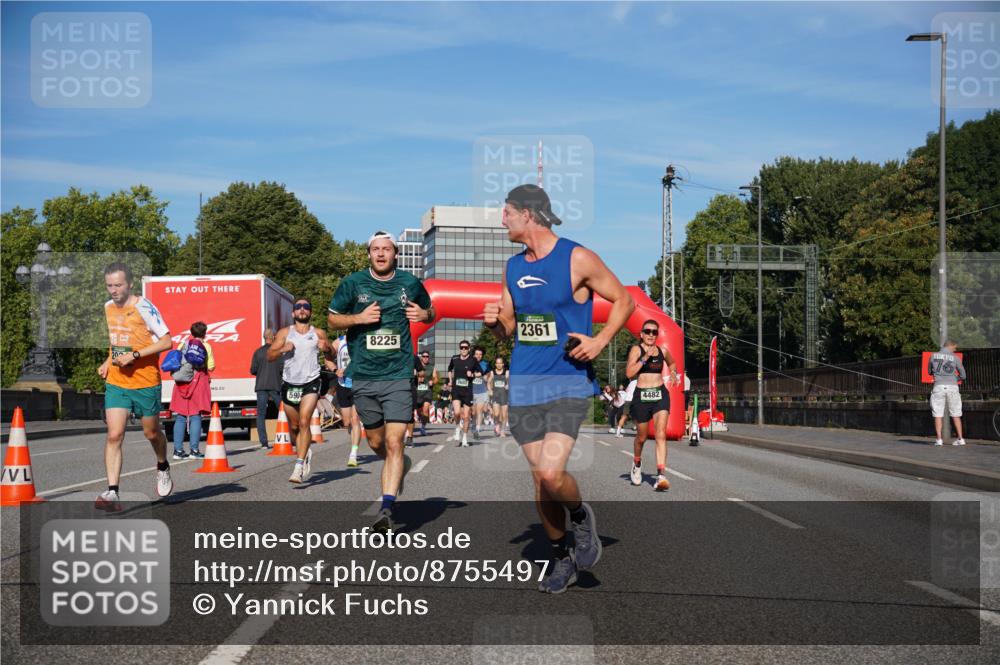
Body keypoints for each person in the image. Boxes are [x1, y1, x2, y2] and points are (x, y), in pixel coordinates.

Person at [483, 184, 635, 594]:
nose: (503, 220)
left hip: (567, 380)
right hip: (524, 384)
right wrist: (495, 322)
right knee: (539, 479)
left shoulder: (576, 257)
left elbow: (624, 300)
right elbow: (510, 329)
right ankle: (560, 557)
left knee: (552, 473)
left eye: (507, 213)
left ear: (528, 214)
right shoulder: (512, 268)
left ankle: (580, 517)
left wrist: (599, 341)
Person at [328, 231, 434, 532]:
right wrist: (358, 319)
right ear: (369, 254)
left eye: (386, 249)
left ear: (395, 253)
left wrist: (424, 313)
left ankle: (386, 508)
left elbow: (431, 311)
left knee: (394, 440)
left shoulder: (410, 283)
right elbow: (333, 318)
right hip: (363, 375)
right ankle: (399, 462)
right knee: (375, 442)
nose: (381, 253)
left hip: (398, 375)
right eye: (375, 249)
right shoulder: (353, 283)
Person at [97, 262, 174, 510]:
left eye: (118, 285)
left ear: (129, 284)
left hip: (145, 381)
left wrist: (136, 356)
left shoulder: (144, 307)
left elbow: (166, 342)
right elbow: (117, 340)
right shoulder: (108, 308)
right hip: (117, 382)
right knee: (114, 434)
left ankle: (162, 464)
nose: (113, 290)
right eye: (109, 285)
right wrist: (109, 361)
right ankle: (112, 493)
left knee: (151, 433)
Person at [268, 298, 333, 484]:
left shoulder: (318, 333)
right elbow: (269, 355)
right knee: (295, 427)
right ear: (293, 313)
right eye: (298, 307)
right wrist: (282, 349)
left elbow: (331, 355)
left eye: (306, 307)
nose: (302, 310)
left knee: (305, 421)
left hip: (311, 382)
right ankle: (305, 451)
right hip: (289, 383)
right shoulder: (284, 333)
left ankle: (298, 467)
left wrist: (326, 347)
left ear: (310, 312)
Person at [625, 319, 678, 491]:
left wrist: (673, 373)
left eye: (654, 332)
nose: (650, 335)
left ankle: (661, 475)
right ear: (641, 334)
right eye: (647, 331)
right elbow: (629, 373)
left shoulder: (662, 350)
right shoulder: (636, 349)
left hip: (660, 395)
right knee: (642, 437)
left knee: (660, 434)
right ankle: (637, 462)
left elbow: (672, 362)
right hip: (641, 396)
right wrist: (645, 358)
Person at [170, 321, 216, 459]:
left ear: (191, 332)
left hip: (182, 383)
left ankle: (178, 451)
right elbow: (211, 366)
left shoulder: (183, 344)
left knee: (181, 417)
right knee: (196, 416)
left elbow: (176, 361)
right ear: (204, 333)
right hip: (198, 381)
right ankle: (194, 450)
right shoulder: (206, 346)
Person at [331, 334, 363, 467]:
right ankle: (353, 430)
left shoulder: (362, 339)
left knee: (355, 419)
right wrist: (334, 369)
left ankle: (353, 453)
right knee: (347, 421)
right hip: (343, 384)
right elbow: (327, 359)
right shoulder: (338, 342)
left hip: (358, 383)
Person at [250, 328, 284, 449]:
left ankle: (264, 443)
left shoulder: (257, 352)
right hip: (275, 385)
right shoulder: (277, 352)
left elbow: (253, 370)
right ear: (273, 337)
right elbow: (282, 368)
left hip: (261, 386)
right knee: (283, 411)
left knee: (261, 414)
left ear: (264, 337)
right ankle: (287, 437)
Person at [929, 340, 967, 446]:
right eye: (955, 348)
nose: (955, 350)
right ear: (950, 346)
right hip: (953, 386)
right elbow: (963, 375)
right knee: (956, 414)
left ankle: (939, 440)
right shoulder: (955, 358)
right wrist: (955, 378)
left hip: (939, 386)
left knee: (937, 414)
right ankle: (960, 439)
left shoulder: (933, 355)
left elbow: (929, 371)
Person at [448, 340, 478, 446]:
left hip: (467, 391)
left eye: (466, 348)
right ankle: (457, 428)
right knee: (456, 413)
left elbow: (480, 373)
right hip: (456, 389)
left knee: (466, 417)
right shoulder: (454, 358)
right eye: (462, 347)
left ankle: (464, 437)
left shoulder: (473, 360)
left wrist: (473, 375)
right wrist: (450, 381)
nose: (463, 349)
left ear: (469, 349)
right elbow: (449, 369)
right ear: (459, 348)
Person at [414, 351, 438, 437]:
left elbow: (436, 379)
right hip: (417, 393)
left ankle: (423, 428)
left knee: (426, 409)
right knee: (420, 412)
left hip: (427, 392)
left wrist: (433, 382)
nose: (425, 358)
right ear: (421, 358)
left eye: (427, 356)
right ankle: (422, 421)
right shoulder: (416, 367)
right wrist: (417, 379)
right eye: (424, 356)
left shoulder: (432, 367)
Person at [487, 357, 510, 436]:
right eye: (497, 363)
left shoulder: (507, 372)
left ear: (503, 364)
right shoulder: (492, 372)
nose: (499, 364)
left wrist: (508, 385)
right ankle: (497, 424)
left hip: (505, 396)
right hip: (496, 396)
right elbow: (488, 382)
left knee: (504, 415)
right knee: (496, 414)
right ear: (495, 364)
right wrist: (490, 390)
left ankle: (502, 431)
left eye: (500, 363)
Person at [471, 346, 490, 439]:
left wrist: (472, 374)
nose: (478, 356)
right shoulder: (469, 362)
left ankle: (477, 429)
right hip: (471, 391)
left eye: (480, 354)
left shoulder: (484, 363)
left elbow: (480, 373)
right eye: (477, 354)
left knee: (479, 411)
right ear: (473, 354)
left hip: (482, 391)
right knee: (473, 412)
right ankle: (474, 426)